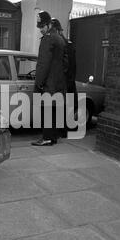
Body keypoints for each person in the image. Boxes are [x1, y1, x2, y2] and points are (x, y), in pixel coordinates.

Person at [31, 11, 68, 146]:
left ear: (48, 24)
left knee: (46, 111)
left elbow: (43, 64)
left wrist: (39, 83)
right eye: (39, 27)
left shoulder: (48, 39)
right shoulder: (59, 38)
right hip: (58, 83)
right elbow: (66, 63)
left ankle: (46, 138)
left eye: (42, 26)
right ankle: (53, 137)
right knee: (53, 111)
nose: (40, 29)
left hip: (48, 84)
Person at [51, 18, 78, 137]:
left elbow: (66, 64)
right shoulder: (68, 43)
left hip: (64, 80)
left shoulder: (60, 43)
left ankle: (60, 131)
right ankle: (64, 131)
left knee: (60, 107)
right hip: (69, 80)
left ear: (56, 29)